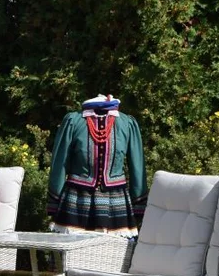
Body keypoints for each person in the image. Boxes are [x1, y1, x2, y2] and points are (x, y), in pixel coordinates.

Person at [47, 94, 146, 236]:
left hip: (116, 200)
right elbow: (59, 162)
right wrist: (55, 199)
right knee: (73, 250)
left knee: (114, 252)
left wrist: (138, 202)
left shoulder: (126, 123)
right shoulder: (74, 121)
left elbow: (137, 166)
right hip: (77, 199)